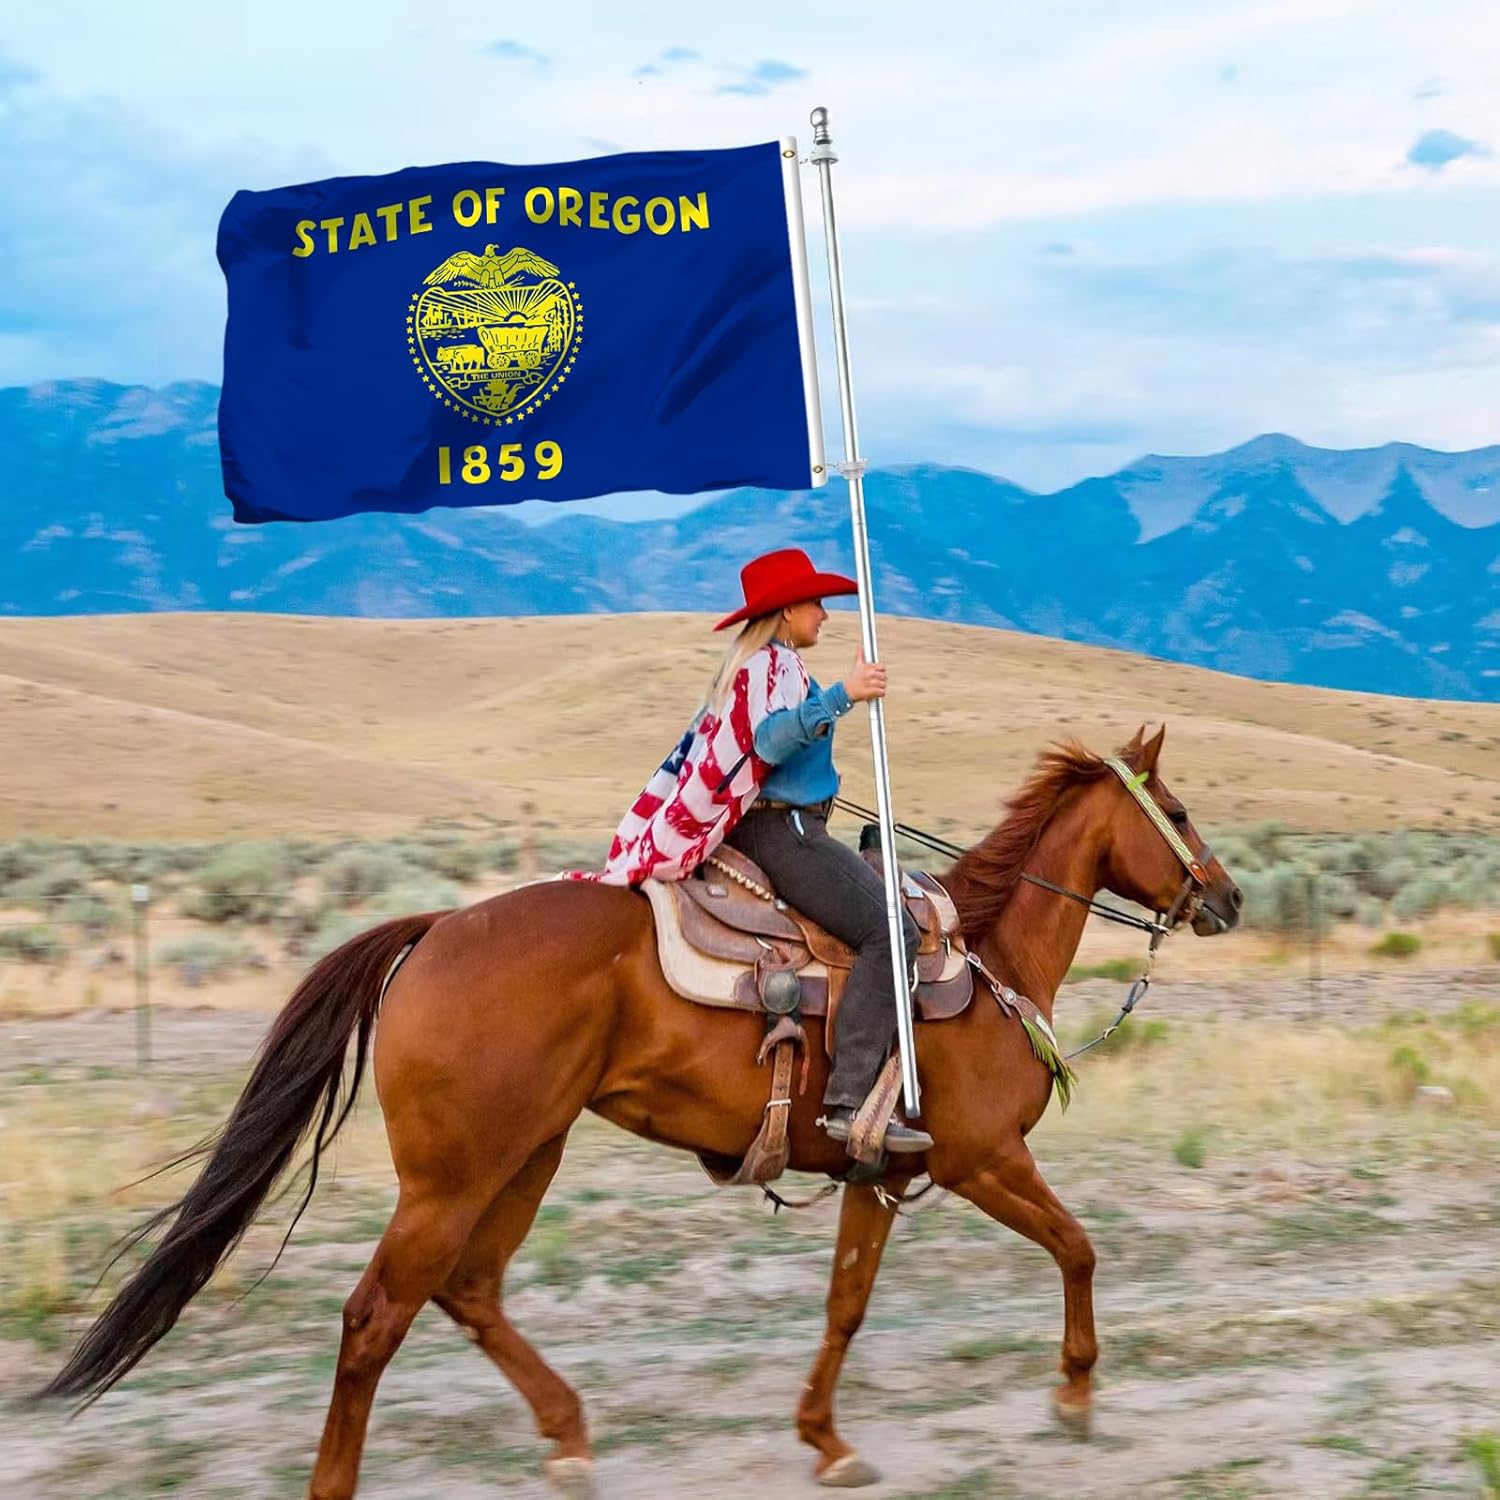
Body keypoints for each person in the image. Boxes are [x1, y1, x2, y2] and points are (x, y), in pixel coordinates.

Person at [588, 547, 930, 1154]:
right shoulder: (769, 668)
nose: (824, 615)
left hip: (790, 822)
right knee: (891, 931)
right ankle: (849, 1104)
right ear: (787, 609)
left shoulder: (769, 667)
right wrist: (843, 694)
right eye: (816, 603)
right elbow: (770, 739)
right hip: (786, 834)